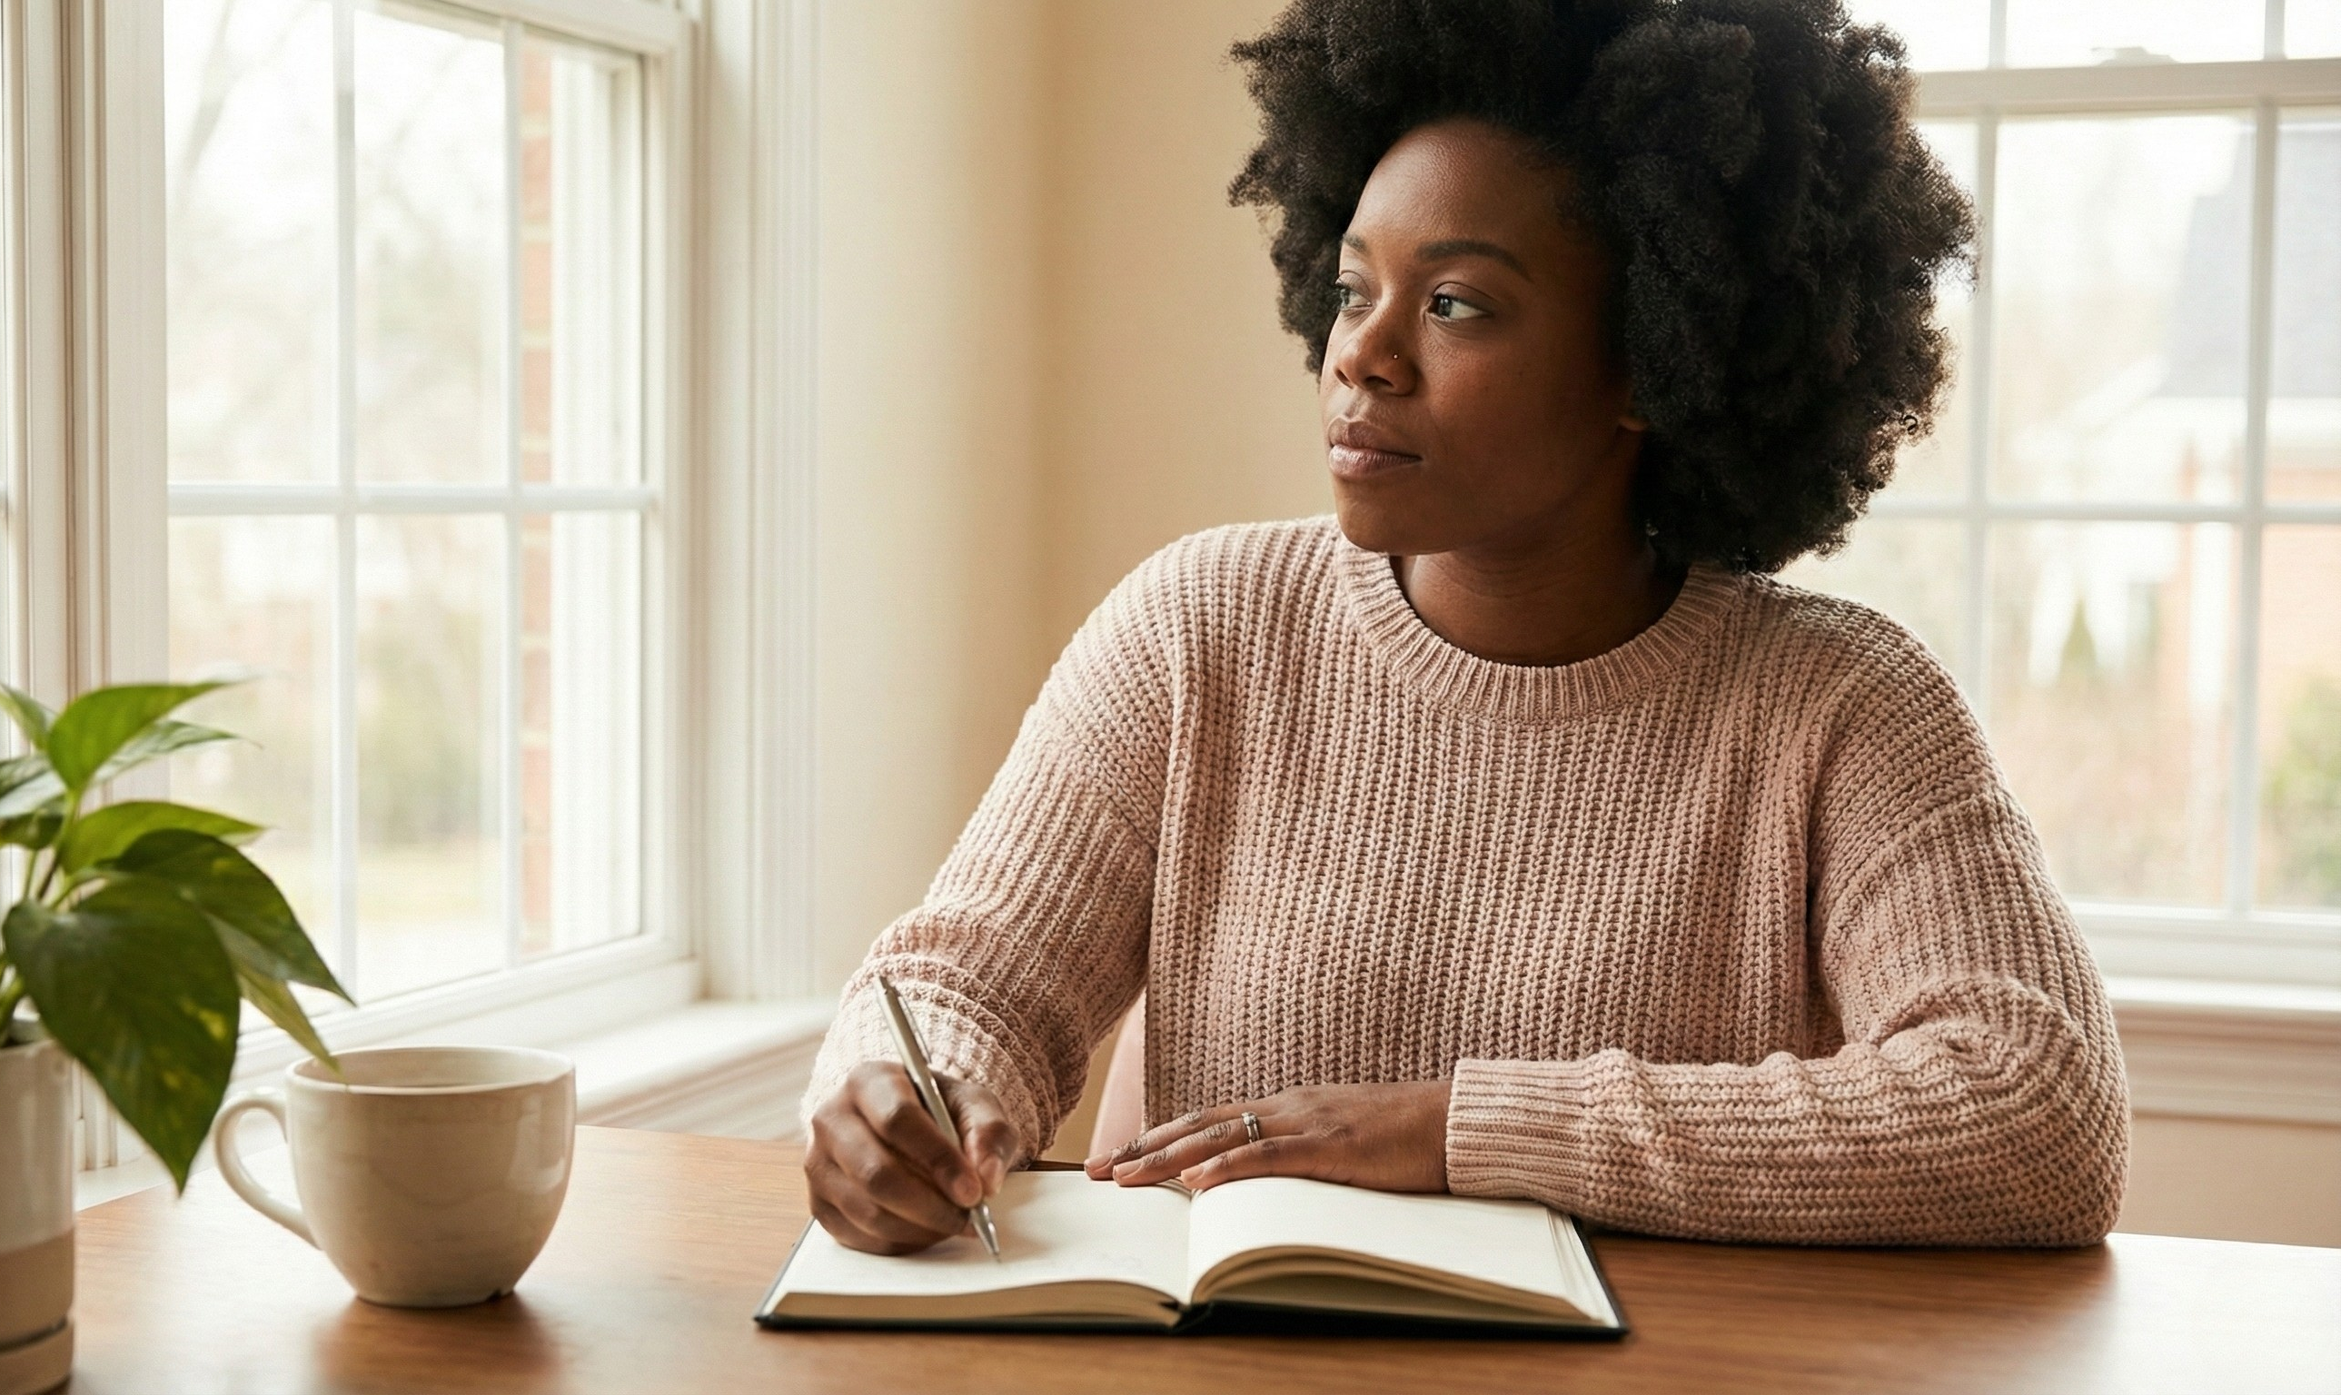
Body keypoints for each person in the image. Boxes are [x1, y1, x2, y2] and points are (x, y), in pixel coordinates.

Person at [800, 0, 2129, 1256]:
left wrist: (1462, 1130)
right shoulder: (1200, 628)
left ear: (1647, 363)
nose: (1360, 356)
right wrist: (905, 1095)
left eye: (1454, 303)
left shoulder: (1838, 704)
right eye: (1352, 286)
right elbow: (968, 977)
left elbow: (2039, 1110)